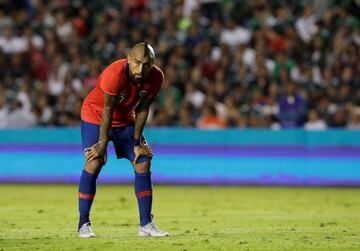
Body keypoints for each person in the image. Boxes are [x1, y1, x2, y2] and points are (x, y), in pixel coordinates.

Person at [78, 42, 169, 238]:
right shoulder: (114, 73)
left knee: (143, 160)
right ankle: (83, 223)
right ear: (128, 59)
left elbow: (143, 109)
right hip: (95, 116)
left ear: (153, 64)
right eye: (137, 62)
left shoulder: (156, 77)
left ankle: (146, 225)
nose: (141, 69)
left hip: (126, 120)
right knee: (94, 162)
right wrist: (101, 145)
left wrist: (137, 143)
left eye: (147, 64)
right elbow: (107, 111)